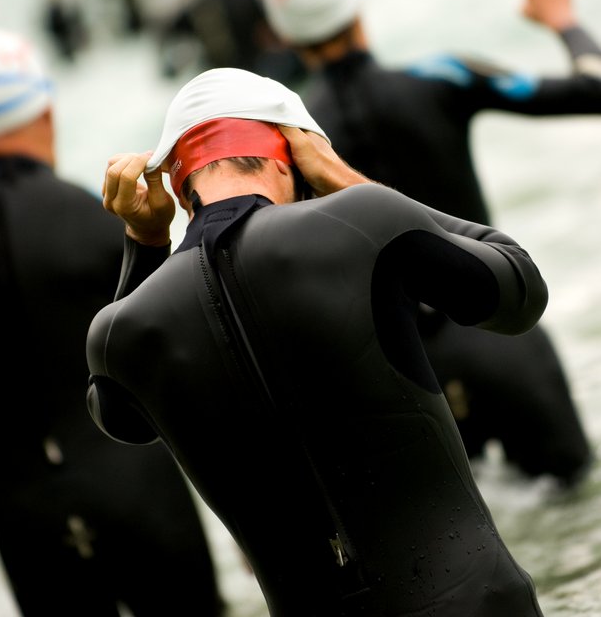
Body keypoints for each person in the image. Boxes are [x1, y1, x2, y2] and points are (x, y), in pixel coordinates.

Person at [86, 66, 549, 616]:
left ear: (183, 195)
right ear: (294, 154)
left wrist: (144, 242)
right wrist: (343, 178)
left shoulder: (122, 331)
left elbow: (119, 418)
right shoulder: (361, 221)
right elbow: (518, 289)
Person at [256, 0, 597, 486]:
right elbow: (593, 87)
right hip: (502, 338)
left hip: (404, 384)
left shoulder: (289, 144)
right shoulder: (442, 78)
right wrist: (563, 19)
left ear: (281, 30)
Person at [0, 30, 222, 616]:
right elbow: (190, 362)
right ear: (45, 110)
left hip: (24, 517)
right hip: (140, 491)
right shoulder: (99, 221)